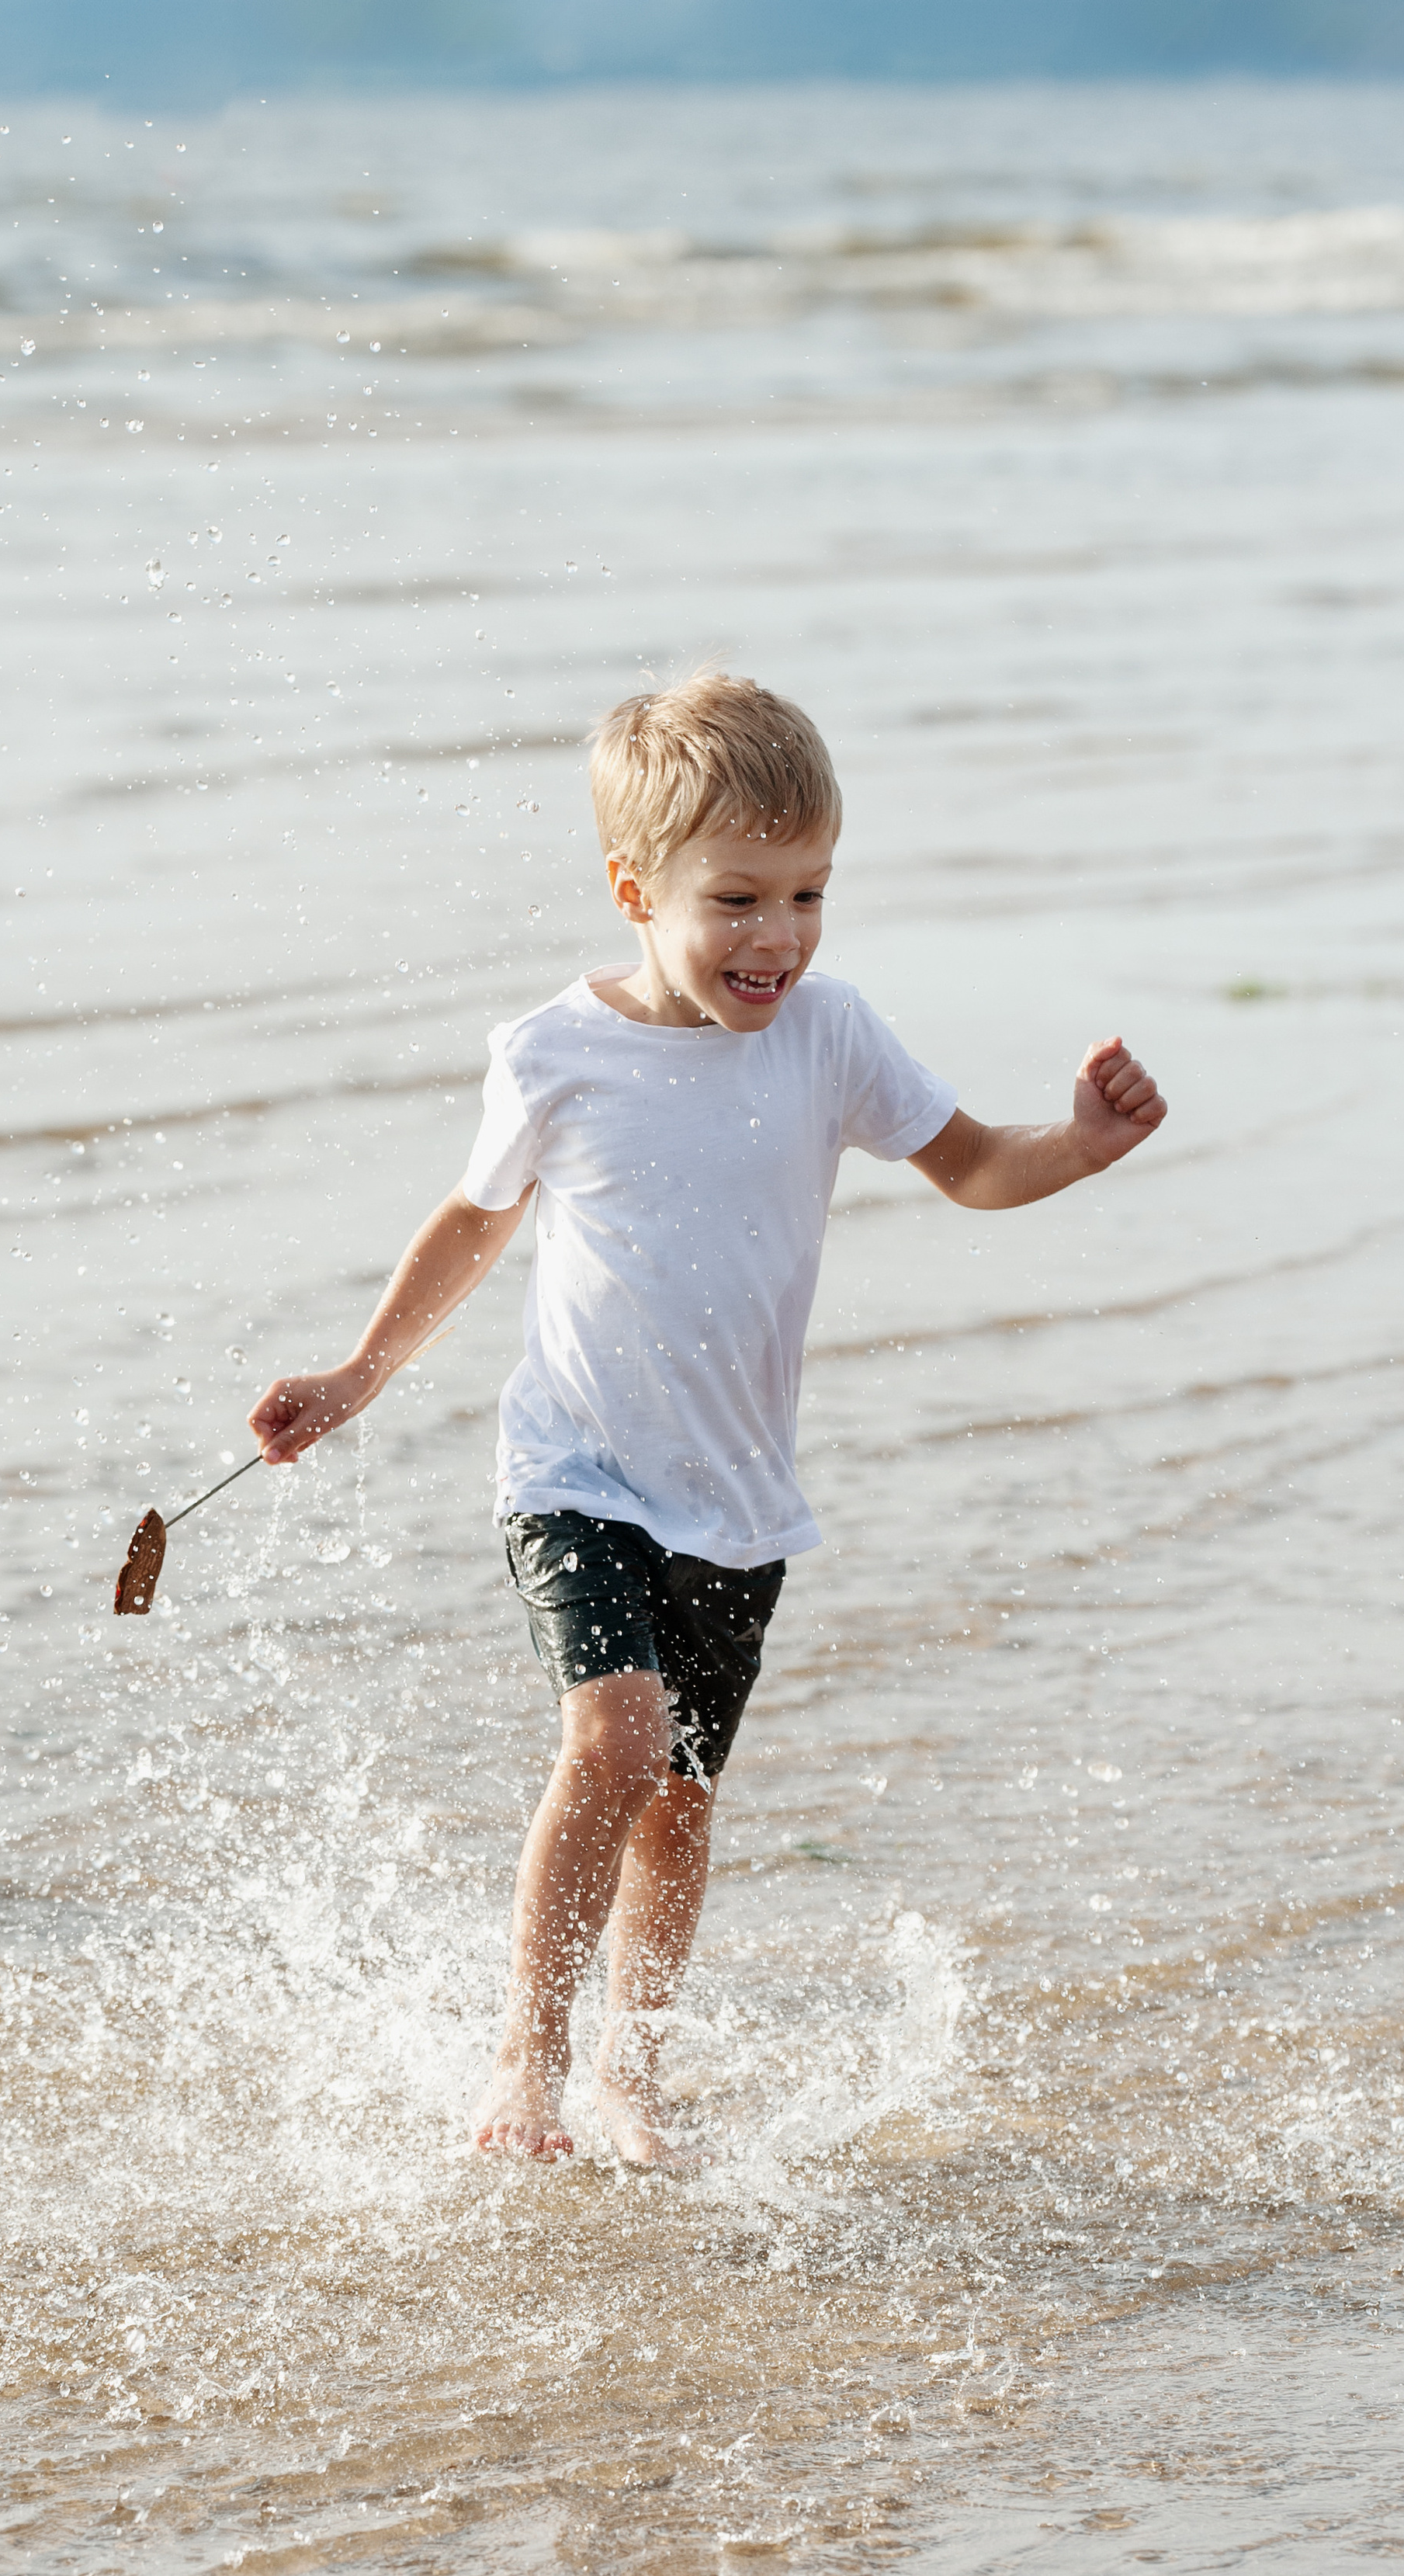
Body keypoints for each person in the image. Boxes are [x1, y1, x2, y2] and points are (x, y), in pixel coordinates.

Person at [248, 671, 1166, 2169]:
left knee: (679, 1799)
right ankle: (528, 2061)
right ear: (635, 890)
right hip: (577, 1469)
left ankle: (635, 2073)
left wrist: (1081, 1142)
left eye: (809, 895)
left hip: (736, 1497)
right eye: (737, 900)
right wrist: (358, 1377)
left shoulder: (831, 1035)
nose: (780, 938)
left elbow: (976, 1167)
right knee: (615, 1740)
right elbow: (475, 1224)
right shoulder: (555, 1053)